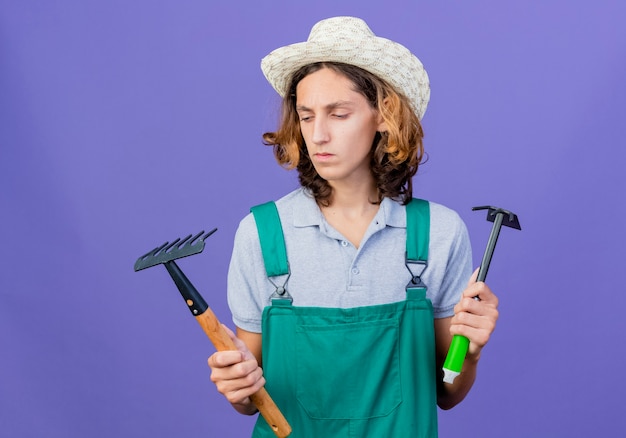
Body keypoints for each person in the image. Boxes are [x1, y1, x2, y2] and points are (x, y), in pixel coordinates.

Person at [208, 16, 499, 437]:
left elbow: (447, 393)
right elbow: (249, 400)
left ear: (383, 115)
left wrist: (468, 354)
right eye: (307, 117)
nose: (319, 135)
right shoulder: (262, 232)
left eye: (338, 114)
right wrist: (237, 387)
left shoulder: (438, 232)